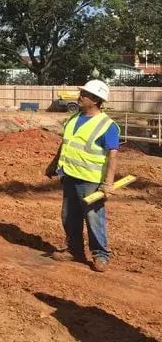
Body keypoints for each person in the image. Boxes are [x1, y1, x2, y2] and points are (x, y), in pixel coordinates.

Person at [46, 79, 119, 273]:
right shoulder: (73, 119)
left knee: (94, 218)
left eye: (84, 95)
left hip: (91, 181)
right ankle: (74, 250)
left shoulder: (107, 125)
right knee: (69, 216)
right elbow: (66, 144)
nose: (80, 97)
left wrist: (108, 183)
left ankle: (100, 255)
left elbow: (113, 154)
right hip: (69, 176)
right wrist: (54, 165)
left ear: (95, 100)